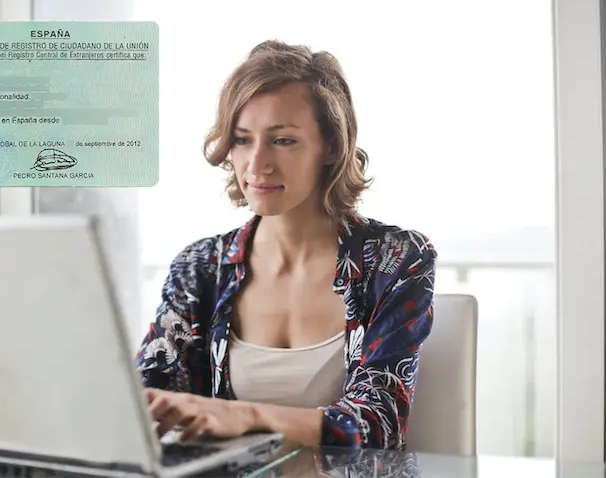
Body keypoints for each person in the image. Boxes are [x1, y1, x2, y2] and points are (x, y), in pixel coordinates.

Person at [135, 40, 437, 450]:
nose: (256, 163)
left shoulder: (396, 259)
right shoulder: (201, 268)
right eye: (242, 139)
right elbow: (144, 402)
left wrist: (247, 416)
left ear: (331, 146)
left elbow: (379, 423)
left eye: (283, 141)